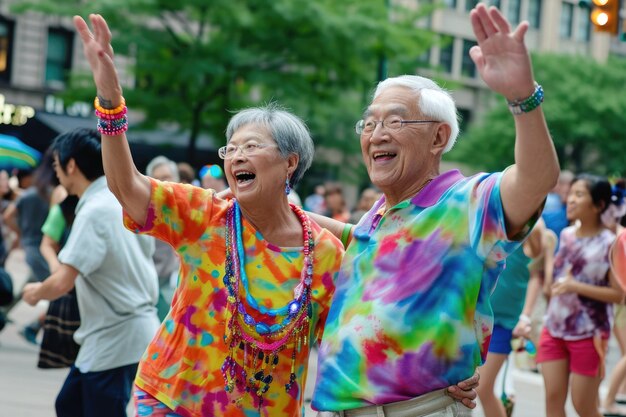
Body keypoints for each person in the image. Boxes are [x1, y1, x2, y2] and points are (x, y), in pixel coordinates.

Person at [71, 13, 478, 417]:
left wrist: (442, 375)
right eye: (231, 148)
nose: (237, 156)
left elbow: (360, 338)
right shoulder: (204, 216)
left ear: (289, 163)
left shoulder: (324, 254)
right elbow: (127, 186)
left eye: (252, 146)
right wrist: (110, 101)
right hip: (172, 401)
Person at [310, 4, 559, 416]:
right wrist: (277, 208)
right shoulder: (379, 215)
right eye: (369, 124)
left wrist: (522, 97)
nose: (376, 135)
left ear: (438, 137)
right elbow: (356, 238)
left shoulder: (466, 203)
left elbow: (535, 179)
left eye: (394, 122)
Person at [21, 128, 160, 417]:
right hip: (119, 333)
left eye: (57, 165)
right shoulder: (120, 203)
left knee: (91, 409)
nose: (56, 172)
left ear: (71, 165)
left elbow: (62, 281)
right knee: (70, 404)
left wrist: (35, 292)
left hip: (117, 336)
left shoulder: (94, 210)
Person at [535, 174, 624, 417]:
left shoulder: (611, 243)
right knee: (552, 401)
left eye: (579, 194)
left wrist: (577, 287)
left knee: (583, 406)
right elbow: (560, 279)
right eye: (571, 193)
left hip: (589, 333)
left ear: (599, 205)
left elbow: (619, 295)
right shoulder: (566, 235)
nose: (570, 199)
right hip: (554, 328)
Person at [476, 219, 545, 417]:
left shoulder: (534, 226)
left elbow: (535, 275)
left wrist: (525, 317)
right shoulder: (488, 214)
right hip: (476, 314)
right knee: (468, 385)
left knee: (484, 387)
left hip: (505, 321)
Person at [145, 155, 181, 320]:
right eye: (157, 178)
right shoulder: (144, 213)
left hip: (177, 286)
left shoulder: (191, 211)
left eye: (166, 177)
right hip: (148, 287)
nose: (162, 183)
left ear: (177, 179)